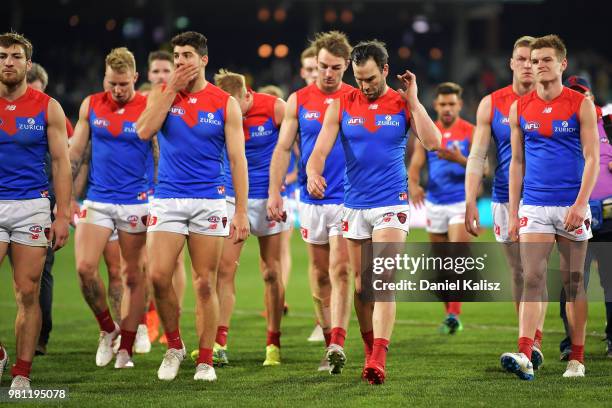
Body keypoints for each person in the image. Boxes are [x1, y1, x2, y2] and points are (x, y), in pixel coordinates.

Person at [306, 40, 441, 384]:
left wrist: (414, 100)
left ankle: (378, 359)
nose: (364, 86)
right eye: (359, 78)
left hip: (390, 204)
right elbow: (320, 148)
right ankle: (369, 352)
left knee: (382, 282)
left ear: (384, 70)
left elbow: (434, 141)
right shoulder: (341, 104)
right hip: (354, 206)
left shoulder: (401, 104)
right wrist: (312, 172)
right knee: (362, 288)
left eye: (369, 78)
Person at [136, 31, 249, 382]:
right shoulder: (161, 94)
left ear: (203, 60)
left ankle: (205, 360)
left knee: (204, 283)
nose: (180, 61)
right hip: (168, 198)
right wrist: (170, 89)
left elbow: (237, 159)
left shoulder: (224, 102)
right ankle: (174, 346)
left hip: (209, 200)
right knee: (157, 276)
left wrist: (241, 211)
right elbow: (143, 131)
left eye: (187, 55)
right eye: (176, 56)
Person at [503, 34, 599, 379]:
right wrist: (515, 212)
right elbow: (516, 163)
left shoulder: (580, 104)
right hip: (535, 207)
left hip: (572, 205)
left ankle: (577, 358)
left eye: (545, 59)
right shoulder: (520, 107)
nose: (537, 65)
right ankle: (526, 352)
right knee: (532, 277)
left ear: (562, 64)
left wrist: (580, 203)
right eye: (532, 59)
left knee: (573, 282)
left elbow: (592, 159)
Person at [268, 31, 353, 373]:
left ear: (346, 66)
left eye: (334, 67)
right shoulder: (299, 99)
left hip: (349, 198)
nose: (327, 73)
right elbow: (283, 148)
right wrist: (275, 191)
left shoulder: (355, 96)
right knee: (319, 276)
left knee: (343, 269)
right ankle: (331, 340)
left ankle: (338, 343)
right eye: (322, 67)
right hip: (311, 199)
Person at [465, 36, 545, 369]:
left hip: (543, 197)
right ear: (511, 63)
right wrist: (470, 200)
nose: (528, 65)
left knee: (534, 273)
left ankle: (531, 344)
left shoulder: (554, 101)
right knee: (518, 272)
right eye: (522, 59)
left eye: (533, 59)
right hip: (502, 197)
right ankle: (528, 338)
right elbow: (477, 154)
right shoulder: (492, 103)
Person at [69, 47, 150, 369]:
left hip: (136, 201)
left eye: (123, 85)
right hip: (98, 199)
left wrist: (157, 195)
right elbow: (76, 154)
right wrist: (65, 200)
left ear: (135, 78)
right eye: (111, 84)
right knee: (84, 268)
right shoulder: (91, 104)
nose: (117, 91)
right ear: (105, 78)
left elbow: (159, 151)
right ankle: (107, 328)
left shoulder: (147, 106)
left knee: (132, 275)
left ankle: (126, 347)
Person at [0, 32, 71, 390]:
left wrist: (62, 215)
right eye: (1, 56)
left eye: (15, 56)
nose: (7, 62)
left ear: (28, 64)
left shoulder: (48, 107)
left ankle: (22, 373)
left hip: (31, 207)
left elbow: (61, 162)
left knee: (27, 292)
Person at [209, 69, 287, 366]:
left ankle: (273, 343)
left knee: (271, 272)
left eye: (235, 104)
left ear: (247, 94)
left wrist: (286, 187)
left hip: (268, 198)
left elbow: (292, 142)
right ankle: (219, 343)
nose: (231, 112)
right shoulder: (219, 110)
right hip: (232, 197)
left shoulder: (274, 107)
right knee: (225, 271)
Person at [408, 81, 473, 333]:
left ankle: (454, 315)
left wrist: (460, 159)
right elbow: (415, 165)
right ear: (435, 105)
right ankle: (450, 312)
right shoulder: (427, 132)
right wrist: (413, 185)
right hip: (434, 203)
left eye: (452, 104)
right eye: (443, 104)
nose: (447, 108)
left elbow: (484, 168)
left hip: (459, 202)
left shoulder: (470, 130)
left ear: (460, 105)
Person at [558, 75, 612, 360]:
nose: (581, 100)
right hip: (573, 215)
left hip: (608, 216)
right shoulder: (562, 129)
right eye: (574, 95)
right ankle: (570, 342)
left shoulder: (610, 123)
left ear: (593, 98)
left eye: (585, 95)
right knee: (571, 282)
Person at [26, 63, 75, 356]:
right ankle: (37, 338)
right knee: (39, 275)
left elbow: (66, 162)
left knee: (40, 272)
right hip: (24, 199)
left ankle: (39, 336)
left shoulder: (51, 113)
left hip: (41, 201)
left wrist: (63, 209)